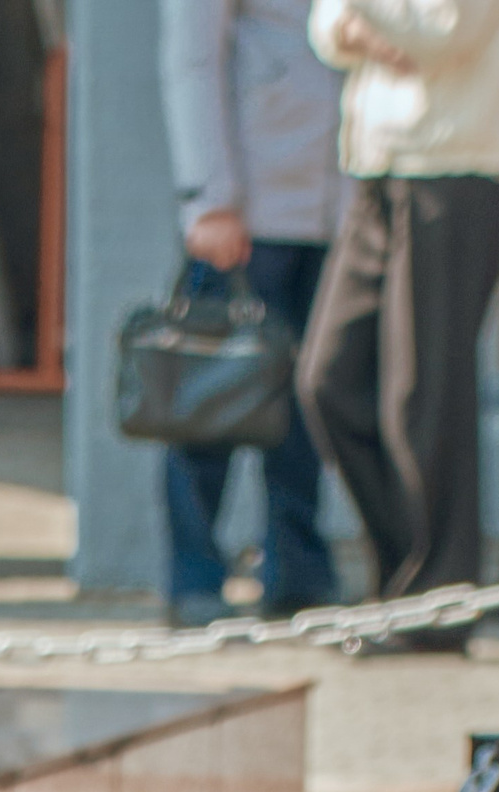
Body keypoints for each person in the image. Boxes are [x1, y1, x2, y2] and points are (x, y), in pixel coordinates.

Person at [298, 0, 499, 649]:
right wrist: (359, 27)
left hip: (458, 168)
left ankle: (437, 603)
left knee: (423, 397)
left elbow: (444, 34)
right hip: (377, 165)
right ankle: (401, 581)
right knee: (329, 379)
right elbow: (324, 30)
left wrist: (360, 18)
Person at [157, 0, 345, 626]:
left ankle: (297, 572)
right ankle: (194, 575)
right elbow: (192, 56)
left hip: (338, 203)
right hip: (249, 204)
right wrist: (208, 197)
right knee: (208, 399)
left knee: (306, 403)